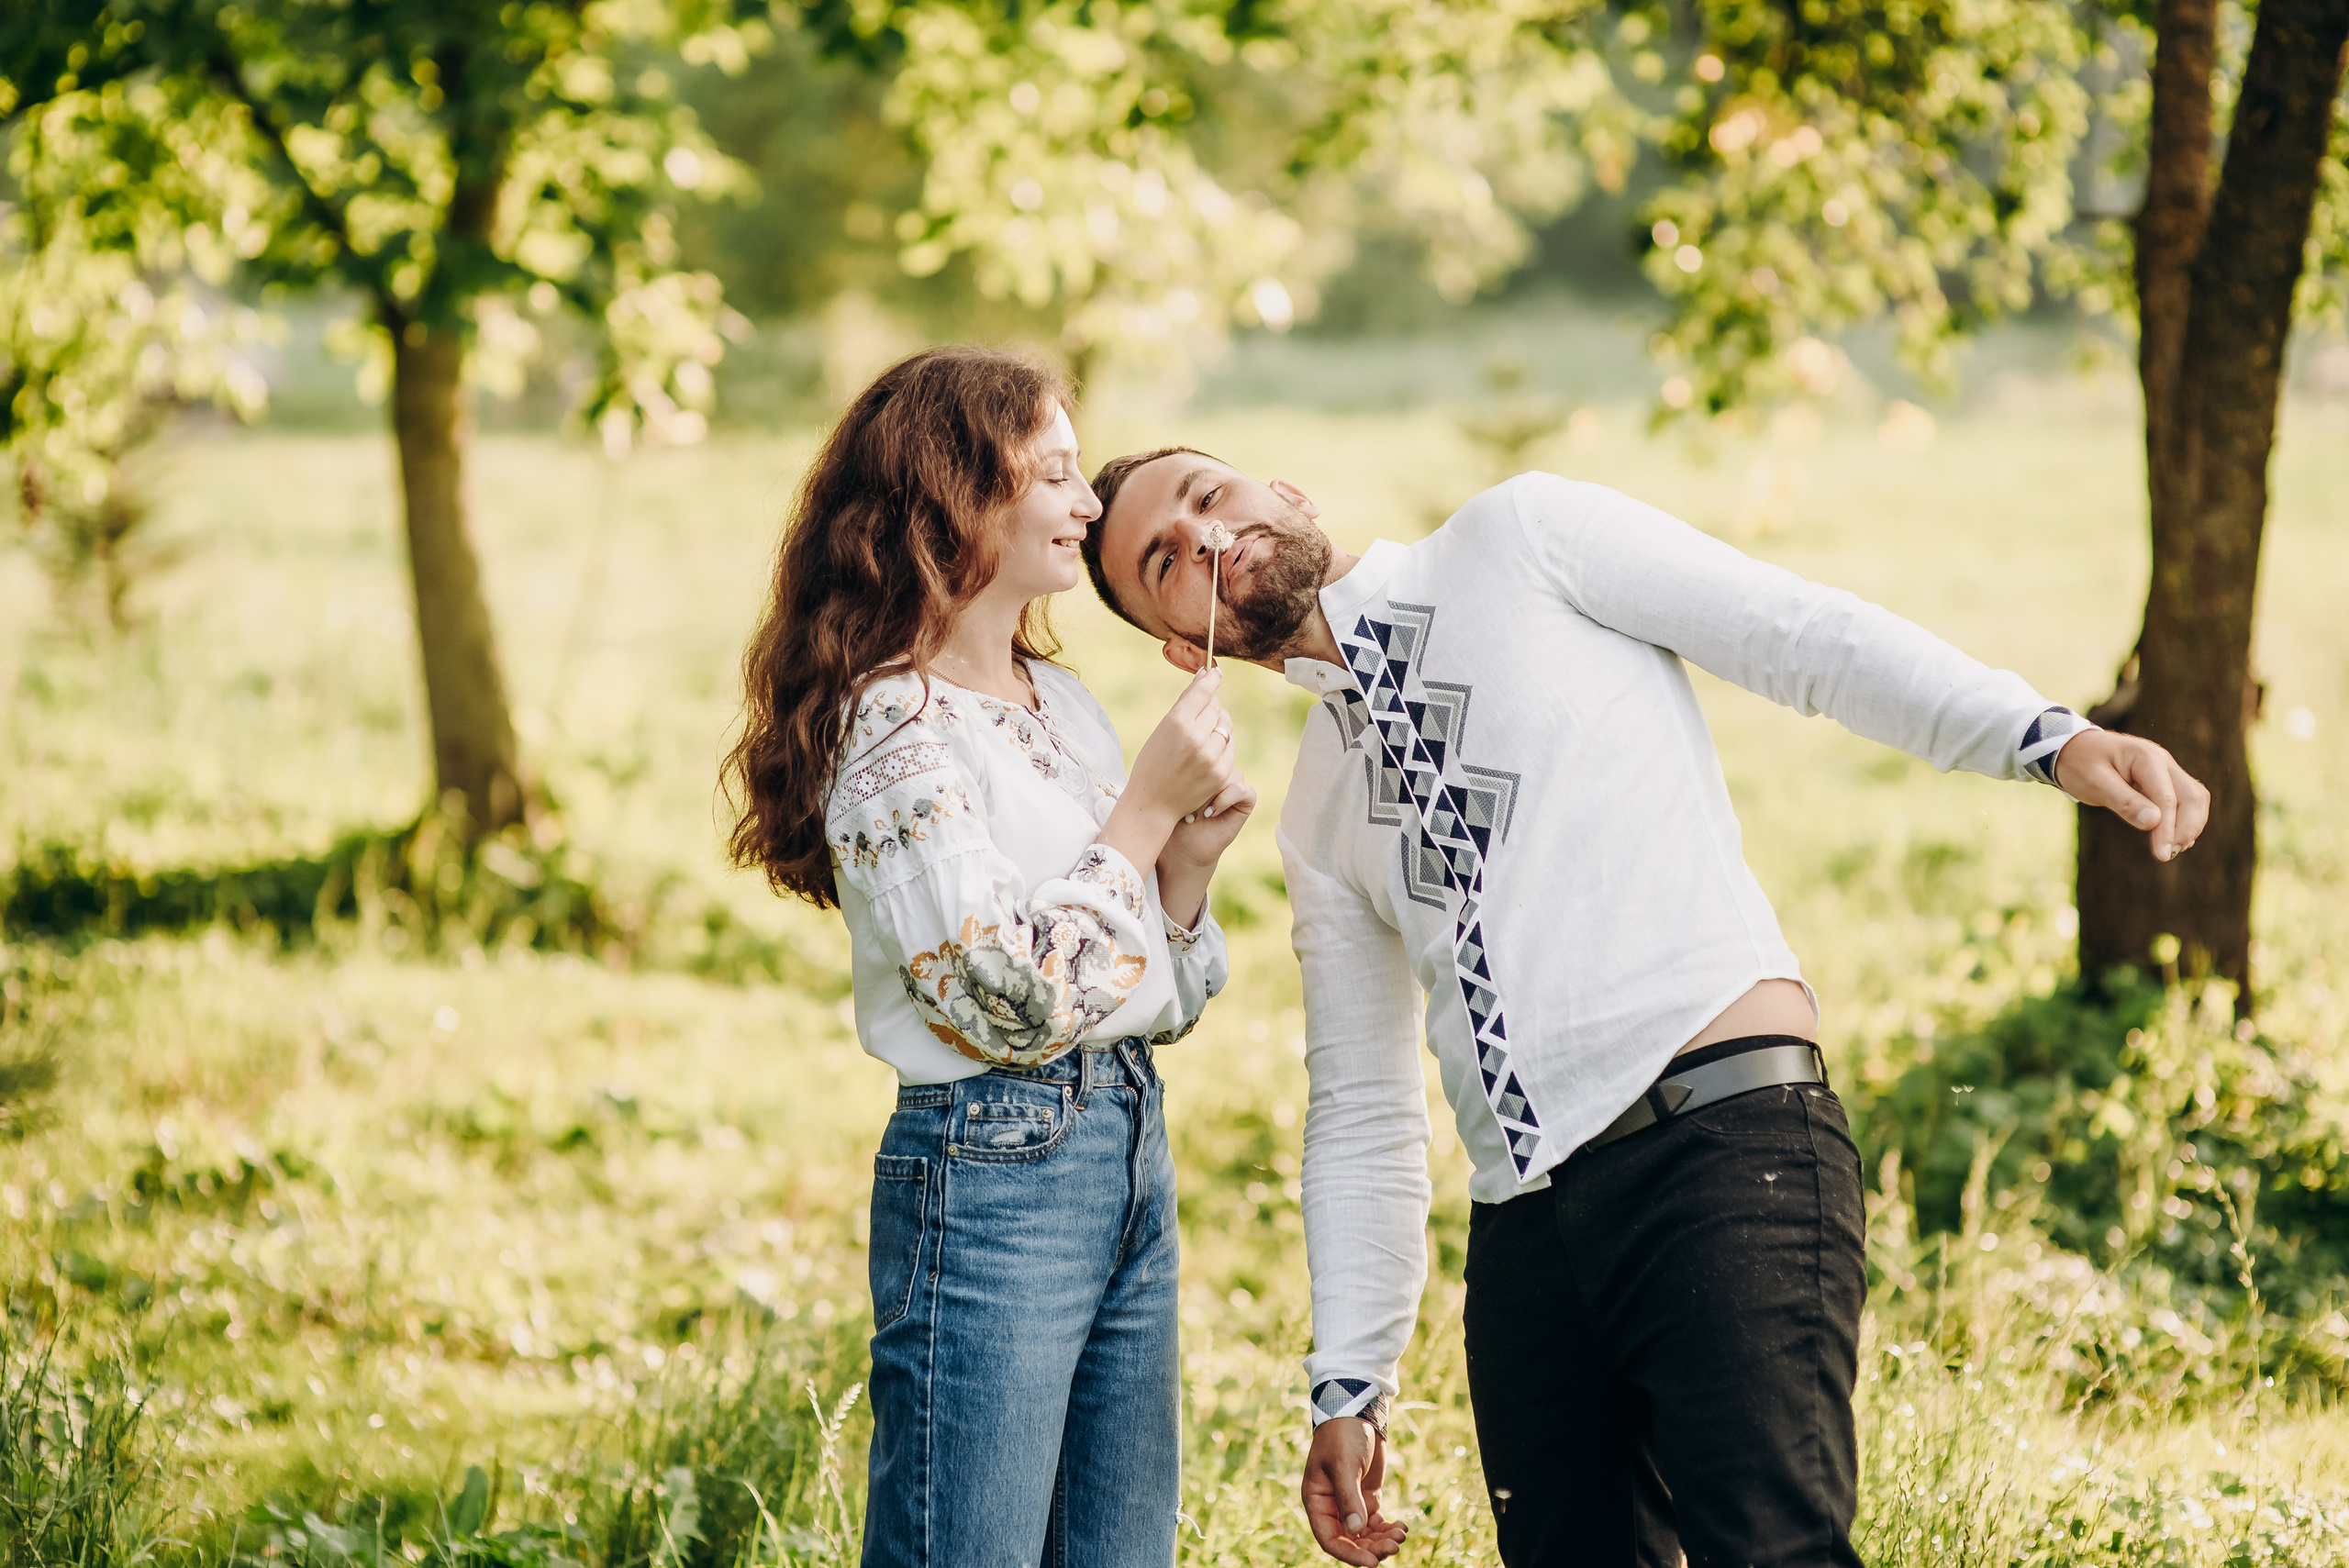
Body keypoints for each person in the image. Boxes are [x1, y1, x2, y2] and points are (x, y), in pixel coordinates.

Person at [1080, 450, 2210, 1568]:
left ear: (1288, 491)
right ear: (1187, 648)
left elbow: (1798, 635)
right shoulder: (1314, 814)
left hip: (1721, 1143)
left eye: (1209, 496)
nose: (1208, 539)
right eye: (1165, 559)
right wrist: (1350, 1380)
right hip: (1525, 1241)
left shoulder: (1517, 538)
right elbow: (1363, 1106)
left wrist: (2046, 738)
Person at [723, 350, 1256, 1568]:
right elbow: (1000, 1002)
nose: (1087, 504)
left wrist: (1186, 867)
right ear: (955, 498)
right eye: (1057, 475)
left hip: (1128, 1148)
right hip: (990, 1174)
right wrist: (1137, 823)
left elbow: (1143, 999)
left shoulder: (1061, 702)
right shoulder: (892, 728)